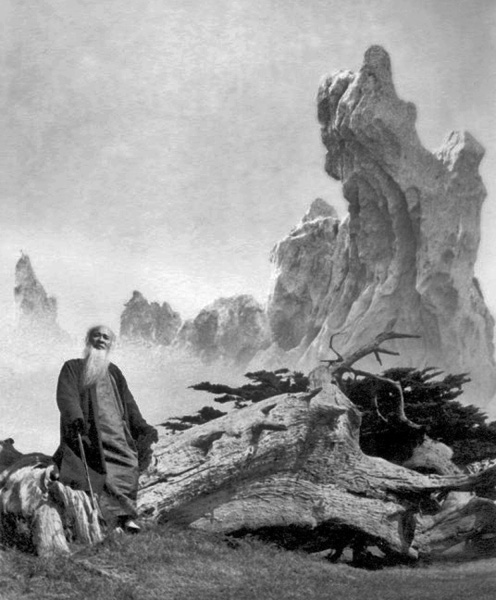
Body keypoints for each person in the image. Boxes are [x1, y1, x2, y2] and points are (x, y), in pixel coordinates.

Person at [53, 325, 158, 532]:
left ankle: (126, 518)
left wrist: (142, 426)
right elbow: (66, 395)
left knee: (128, 464)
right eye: (97, 335)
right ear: (88, 339)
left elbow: (129, 403)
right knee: (98, 472)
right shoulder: (73, 367)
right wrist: (75, 417)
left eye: (106, 337)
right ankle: (105, 521)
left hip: (118, 433)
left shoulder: (114, 372)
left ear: (111, 344)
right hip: (89, 434)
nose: (101, 339)